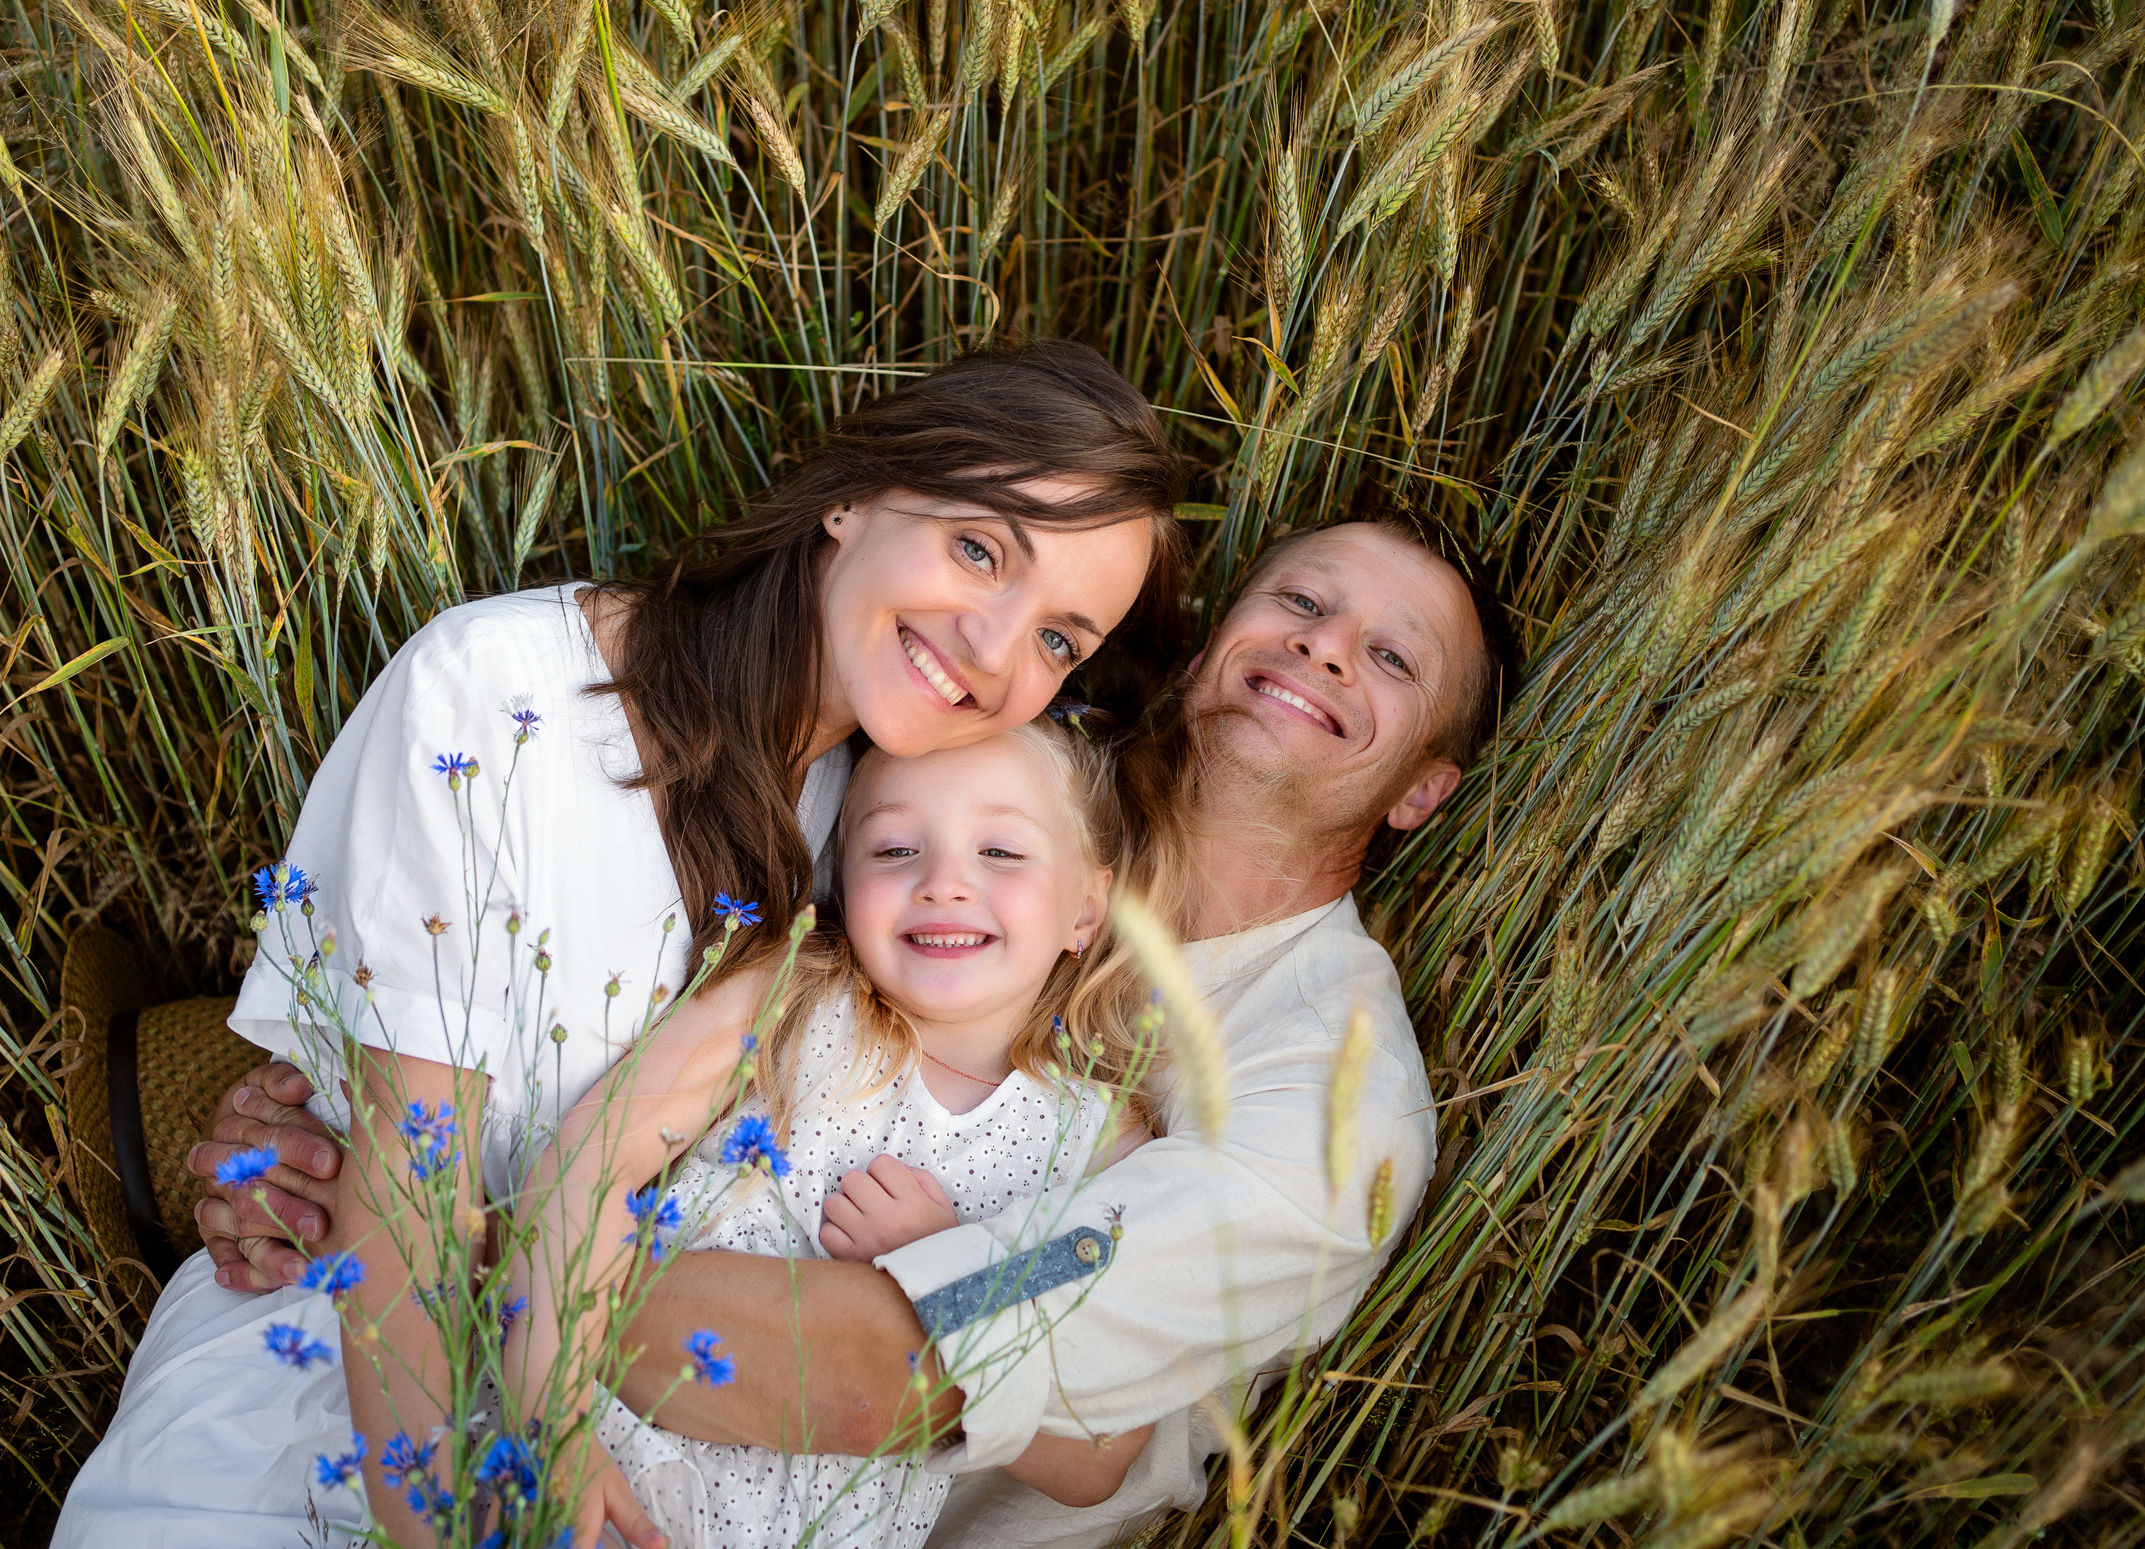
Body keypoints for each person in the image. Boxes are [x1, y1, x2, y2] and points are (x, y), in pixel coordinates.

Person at [189, 514, 1520, 1549]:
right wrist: (332, 1128)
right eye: (1299, 599)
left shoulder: (1332, 1101)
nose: (1327, 645)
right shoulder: (981, 778)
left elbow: (911, 1353)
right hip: (552, 1408)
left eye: (1392, 657)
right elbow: (618, 948)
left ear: (1424, 789)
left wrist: (436, 1242)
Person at [51, 339, 1184, 1549]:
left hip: (646, 1460)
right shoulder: (499, 694)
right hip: (345, 1390)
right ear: (851, 497)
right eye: (978, 550)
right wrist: (505, 1491)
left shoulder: (881, 834)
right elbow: (403, 1184)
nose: (998, 653)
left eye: (1061, 639)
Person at [515, 719, 1168, 1549]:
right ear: (841, 873)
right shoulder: (787, 996)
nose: (944, 882)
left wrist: (948, 1266)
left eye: (1001, 852)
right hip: (598, 1471)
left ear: (1086, 908)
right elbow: (588, 1161)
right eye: (895, 849)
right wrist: (555, 1432)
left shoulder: (1098, 1142)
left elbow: (1096, 1455)